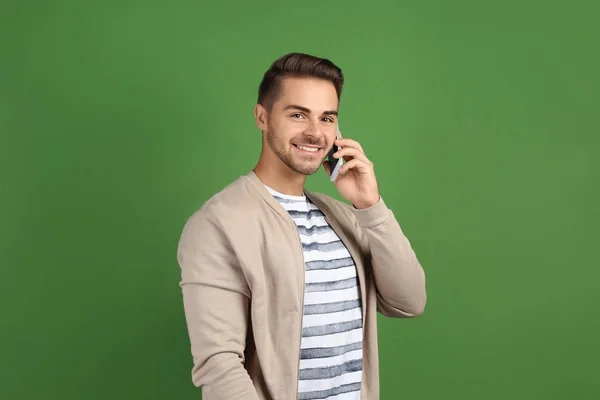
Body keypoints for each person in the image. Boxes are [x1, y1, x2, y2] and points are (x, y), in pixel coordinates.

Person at [177, 52, 427, 400]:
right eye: (298, 114)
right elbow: (219, 365)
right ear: (262, 117)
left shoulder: (345, 216)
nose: (314, 132)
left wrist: (370, 206)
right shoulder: (217, 223)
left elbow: (409, 301)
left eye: (327, 118)